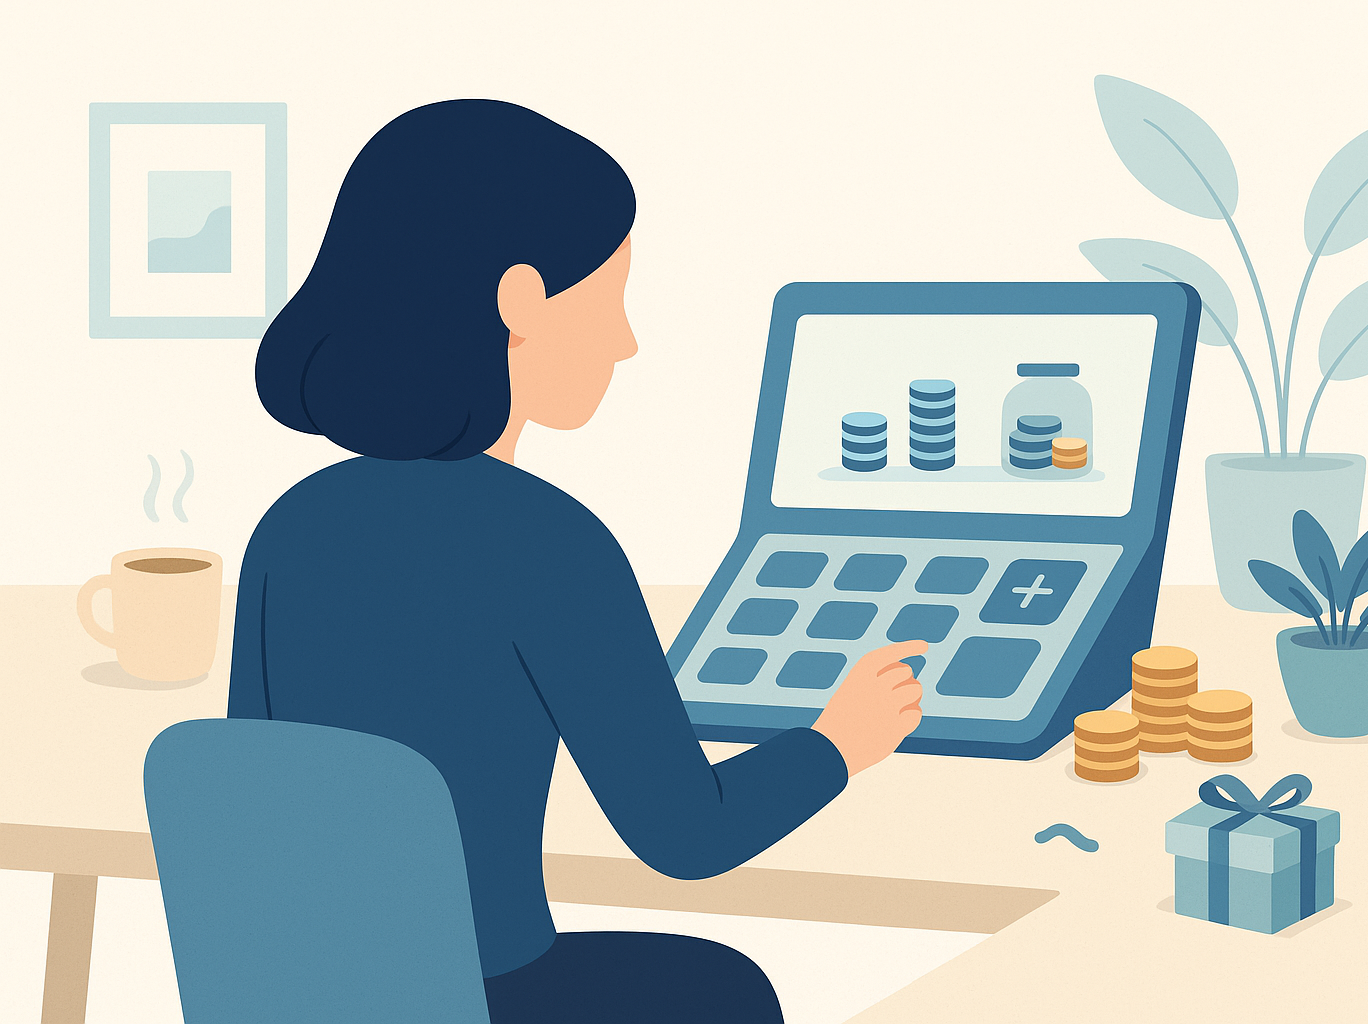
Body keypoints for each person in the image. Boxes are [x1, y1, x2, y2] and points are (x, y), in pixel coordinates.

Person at [229, 99, 924, 1024]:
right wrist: (840, 744)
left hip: (309, 997)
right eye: (610, 295)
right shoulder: (545, 541)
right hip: (478, 997)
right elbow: (688, 834)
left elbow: (255, 797)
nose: (627, 339)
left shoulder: (288, 528)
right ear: (521, 302)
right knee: (729, 994)